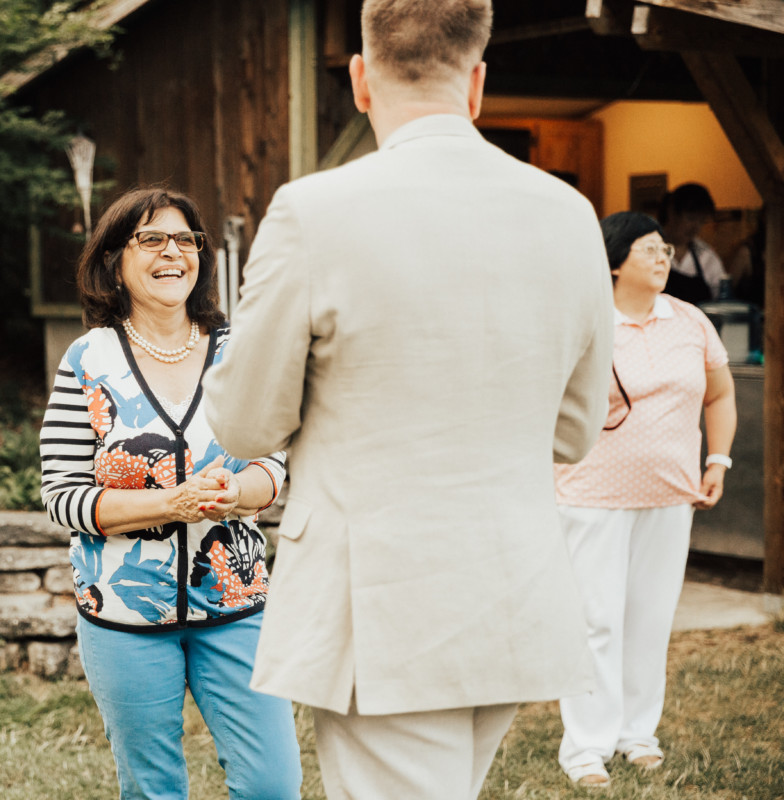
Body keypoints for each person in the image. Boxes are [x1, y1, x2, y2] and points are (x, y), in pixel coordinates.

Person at [202, 1, 615, 797]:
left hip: (382, 604)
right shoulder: (569, 215)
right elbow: (574, 432)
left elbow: (246, 422)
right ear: (478, 84)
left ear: (360, 78)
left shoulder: (313, 212)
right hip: (516, 586)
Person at [38, 186, 303, 800]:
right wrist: (169, 504)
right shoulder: (87, 359)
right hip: (126, 616)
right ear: (115, 260)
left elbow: (274, 460)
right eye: (150, 239)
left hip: (237, 606)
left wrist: (238, 489)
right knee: (153, 790)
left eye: (185, 239)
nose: (172, 252)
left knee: (273, 785)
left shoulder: (240, 351)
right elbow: (63, 495)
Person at [553, 211, 737, 788]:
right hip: (590, 494)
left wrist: (718, 460)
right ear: (613, 263)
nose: (663, 258)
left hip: (670, 495)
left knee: (650, 620)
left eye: (665, 249)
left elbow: (721, 393)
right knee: (596, 620)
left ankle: (637, 734)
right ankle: (585, 747)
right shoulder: (583, 323)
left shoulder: (690, 321)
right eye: (648, 250)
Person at [659, 182, 728, 304]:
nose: (695, 228)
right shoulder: (649, 251)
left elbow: (721, 301)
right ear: (671, 212)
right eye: (691, 218)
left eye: (702, 221)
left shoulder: (707, 257)